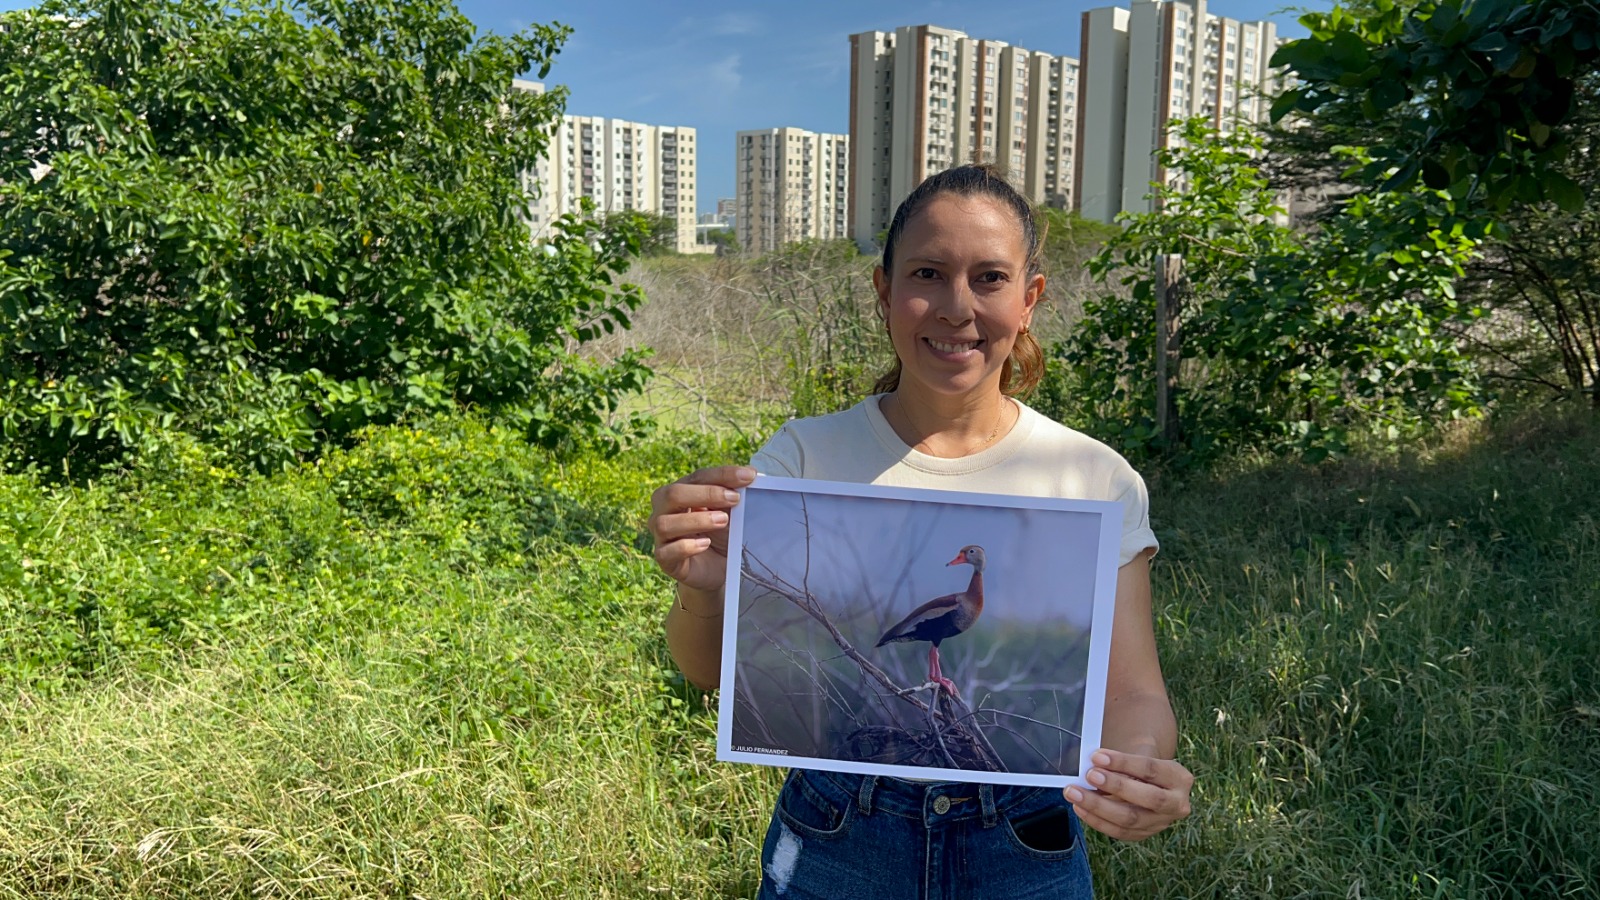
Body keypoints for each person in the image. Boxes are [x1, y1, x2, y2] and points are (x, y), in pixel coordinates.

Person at [648, 164, 1193, 898]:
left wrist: (1138, 768)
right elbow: (710, 671)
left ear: (1029, 300)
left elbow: (1134, 695)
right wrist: (704, 590)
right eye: (929, 273)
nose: (957, 307)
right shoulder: (802, 459)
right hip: (839, 835)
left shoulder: (1094, 478)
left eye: (990, 278)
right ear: (884, 291)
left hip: (1023, 841)